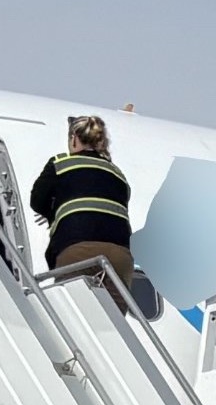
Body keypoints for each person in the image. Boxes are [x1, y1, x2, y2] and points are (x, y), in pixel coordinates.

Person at [29, 116, 141, 311]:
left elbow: (37, 201)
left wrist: (54, 212)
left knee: (74, 316)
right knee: (111, 322)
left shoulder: (61, 163)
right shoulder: (118, 174)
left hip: (78, 249)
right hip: (120, 257)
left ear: (74, 139)